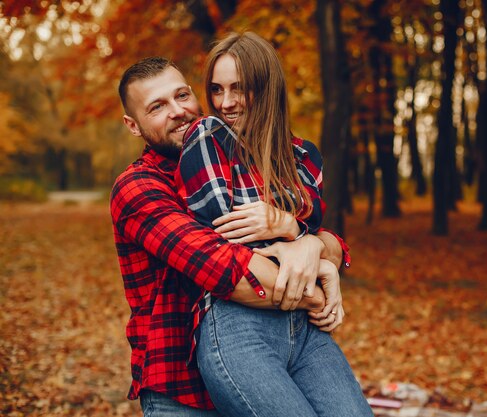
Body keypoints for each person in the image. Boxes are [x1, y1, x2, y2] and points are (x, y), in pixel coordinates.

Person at [111, 56, 352, 416]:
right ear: (133, 125)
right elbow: (230, 270)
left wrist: (309, 241)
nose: (178, 111)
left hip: (276, 357)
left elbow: (320, 237)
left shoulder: (239, 160)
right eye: (158, 106)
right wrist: (319, 295)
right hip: (183, 388)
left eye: (182, 95)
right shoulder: (138, 188)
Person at [176, 31, 373, 417]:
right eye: (216, 89)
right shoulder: (206, 136)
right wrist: (304, 239)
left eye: (239, 88)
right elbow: (229, 231)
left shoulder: (304, 154)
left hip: (304, 331)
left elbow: (314, 215)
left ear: (267, 89)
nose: (225, 102)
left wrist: (292, 228)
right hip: (237, 325)